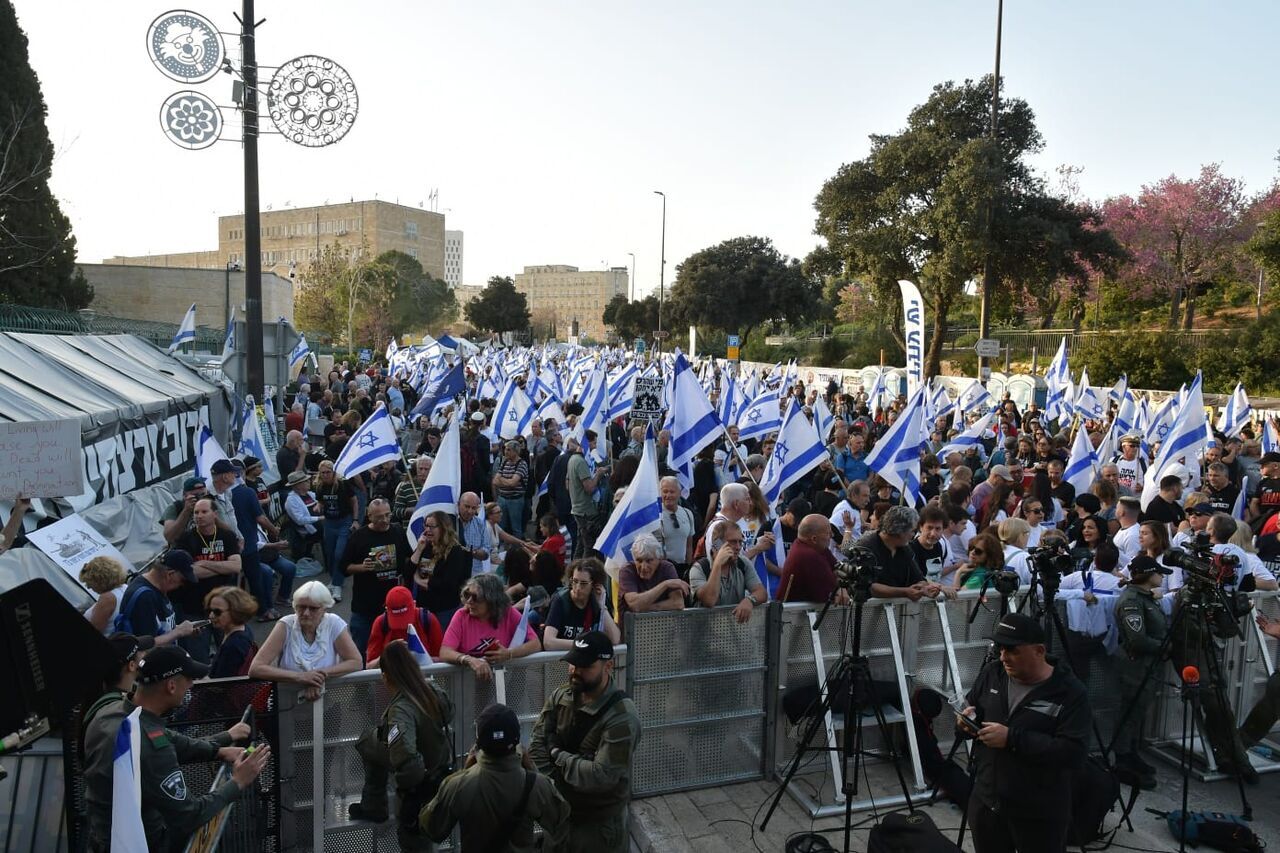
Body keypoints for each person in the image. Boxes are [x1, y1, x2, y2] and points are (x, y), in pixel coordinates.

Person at [958, 613, 1091, 853]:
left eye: (1012, 650)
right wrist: (965, 724)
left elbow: (1074, 753)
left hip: (1039, 814)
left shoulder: (1070, 692)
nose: (1003, 657)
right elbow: (973, 709)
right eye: (1000, 648)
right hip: (987, 803)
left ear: (1039, 651)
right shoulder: (992, 673)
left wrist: (1011, 738)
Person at [130, 645, 270, 852]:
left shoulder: (127, 715)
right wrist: (238, 781)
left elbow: (178, 742)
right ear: (171, 686)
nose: (192, 685)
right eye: (189, 678)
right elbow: (189, 815)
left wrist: (220, 746)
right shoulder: (152, 744)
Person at [530, 631, 641, 853]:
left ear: (608, 666)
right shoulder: (561, 696)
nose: (575, 671)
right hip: (560, 820)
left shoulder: (621, 716)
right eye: (572, 664)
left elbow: (601, 777)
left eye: (585, 666)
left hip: (598, 829)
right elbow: (536, 748)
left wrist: (557, 754)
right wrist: (575, 766)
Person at [421, 702, 571, 852]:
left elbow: (431, 828)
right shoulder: (536, 784)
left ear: (478, 741)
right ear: (517, 739)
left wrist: (463, 771)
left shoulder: (458, 785)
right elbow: (561, 820)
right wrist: (531, 767)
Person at [348, 641, 454, 850]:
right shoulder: (431, 689)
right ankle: (373, 804)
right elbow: (449, 713)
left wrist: (408, 796)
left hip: (420, 785)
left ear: (386, 676)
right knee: (369, 741)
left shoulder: (401, 711)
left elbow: (407, 761)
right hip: (439, 768)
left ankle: (375, 805)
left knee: (414, 841)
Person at [80, 632, 154, 850]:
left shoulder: (103, 702)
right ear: (131, 666)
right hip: (117, 833)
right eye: (141, 657)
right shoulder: (116, 714)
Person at [250, 581, 362, 701]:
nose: (306, 613)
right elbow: (256, 668)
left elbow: (356, 662)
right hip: (288, 706)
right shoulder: (285, 625)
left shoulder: (334, 623)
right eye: (301, 607)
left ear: (324, 609)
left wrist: (317, 676)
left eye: (313, 608)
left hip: (328, 703)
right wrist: (300, 677)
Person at [1113, 554, 1169, 790]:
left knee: (1138, 713)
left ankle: (1132, 752)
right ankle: (1123, 759)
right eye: (1158, 572)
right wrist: (1165, 647)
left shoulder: (1145, 597)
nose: (1161, 576)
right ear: (1147, 574)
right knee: (1130, 712)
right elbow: (1137, 639)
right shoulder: (1132, 601)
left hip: (1148, 666)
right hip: (1136, 667)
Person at [439, 573, 541, 682]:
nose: (469, 601)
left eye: (475, 597)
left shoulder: (508, 613)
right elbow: (445, 652)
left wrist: (509, 654)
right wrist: (469, 660)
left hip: (504, 682)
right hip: (467, 684)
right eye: (467, 595)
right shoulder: (462, 615)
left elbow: (535, 644)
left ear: (492, 600)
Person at [342, 498, 411, 658]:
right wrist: (361, 567)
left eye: (388, 515)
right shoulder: (359, 537)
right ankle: (363, 683)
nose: (385, 520)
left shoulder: (398, 531)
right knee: (362, 652)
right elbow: (343, 567)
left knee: (395, 653)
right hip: (365, 608)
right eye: (379, 517)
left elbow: (408, 558)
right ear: (369, 516)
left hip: (394, 607)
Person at [114, 549, 202, 646]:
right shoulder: (145, 597)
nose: (182, 585)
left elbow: (158, 627)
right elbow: (145, 645)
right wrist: (178, 632)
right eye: (182, 580)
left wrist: (182, 629)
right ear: (170, 574)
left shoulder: (157, 588)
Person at [688, 520, 767, 623]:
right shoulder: (699, 568)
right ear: (717, 544)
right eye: (733, 542)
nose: (738, 547)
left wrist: (749, 601)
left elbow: (761, 593)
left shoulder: (742, 563)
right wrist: (717, 565)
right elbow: (709, 600)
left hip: (733, 633)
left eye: (740, 542)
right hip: (704, 634)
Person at [862, 506, 943, 601]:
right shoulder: (866, 547)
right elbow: (868, 586)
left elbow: (918, 578)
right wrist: (905, 592)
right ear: (900, 530)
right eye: (912, 531)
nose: (913, 535)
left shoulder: (905, 549)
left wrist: (924, 588)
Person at [410, 509, 473, 626]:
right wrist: (419, 549)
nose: (428, 530)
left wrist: (420, 581)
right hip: (423, 607)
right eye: (426, 526)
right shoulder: (425, 546)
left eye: (432, 527)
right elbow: (408, 570)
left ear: (443, 528)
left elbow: (448, 583)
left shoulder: (455, 551)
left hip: (444, 609)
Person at [544, 558, 621, 649]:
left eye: (583, 583)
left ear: (594, 585)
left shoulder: (598, 600)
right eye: (575, 581)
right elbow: (548, 642)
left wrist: (601, 605)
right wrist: (583, 644)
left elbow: (615, 639)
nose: (578, 587)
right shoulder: (560, 600)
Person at [366, 585, 445, 668]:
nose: (402, 626)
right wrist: (387, 655)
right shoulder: (381, 623)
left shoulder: (427, 619)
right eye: (396, 618)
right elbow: (369, 666)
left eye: (405, 617)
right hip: (392, 678)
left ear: (414, 604)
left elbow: (441, 658)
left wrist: (416, 657)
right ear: (386, 609)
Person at [779, 514, 848, 604]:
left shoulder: (816, 547)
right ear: (814, 539)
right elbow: (832, 595)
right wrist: (841, 588)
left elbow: (837, 568)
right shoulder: (808, 556)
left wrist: (841, 586)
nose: (831, 536)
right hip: (794, 615)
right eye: (828, 533)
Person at [315, 459, 359, 602]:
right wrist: (319, 506)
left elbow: (354, 501)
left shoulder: (343, 484)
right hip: (329, 523)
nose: (326, 475)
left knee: (339, 554)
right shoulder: (320, 486)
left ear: (333, 472)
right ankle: (334, 580)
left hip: (343, 522)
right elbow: (321, 500)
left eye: (328, 472)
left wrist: (355, 519)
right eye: (323, 473)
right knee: (330, 554)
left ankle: (337, 585)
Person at [617, 533, 688, 615]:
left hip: (663, 625)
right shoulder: (627, 570)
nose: (643, 567)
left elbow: (678, 603)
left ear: (659, 559)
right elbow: (635, 604)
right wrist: (665, 585)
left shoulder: (667, 567)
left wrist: (645, 608)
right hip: (631, 626)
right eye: (639, 561)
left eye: (649, 561)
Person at [567, 433, 611, 558]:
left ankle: (574, 568)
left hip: (578, 508)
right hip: (586, 511)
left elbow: (567, 483)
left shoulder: (573, 459)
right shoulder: (580, 462)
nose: (595, 446)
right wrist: (598, 474)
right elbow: (590, 488)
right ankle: (585, 571)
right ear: (587, 443)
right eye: (594, 443)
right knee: (589, 545)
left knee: (581, 543)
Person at [205, 586, 260, 679]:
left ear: (236, 611)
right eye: (209, 610)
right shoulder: (244, 628)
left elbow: (220, 684)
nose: (211, 615)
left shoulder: (233, 645)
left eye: (217, 612)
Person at [655, 476, 695, 574]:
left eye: (672, 492)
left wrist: (688, 566)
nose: (668, 495)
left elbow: (689, 545)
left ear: (679, 493)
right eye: (665, 491)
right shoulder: (655, 515)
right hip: (662, 569)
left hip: (682, 569)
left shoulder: (687, 513)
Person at [80, 556, 129, 635]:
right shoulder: (124, 587)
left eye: (89, 582)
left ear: (99, 580)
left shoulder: (107, 598)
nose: (88, 587)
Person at [494, 440, 530, 536]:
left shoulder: (522, 464)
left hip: (515, 500)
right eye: (505, 449)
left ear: (516, 451)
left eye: (509, 450)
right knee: (499, 525)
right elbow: (495, 481)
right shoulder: (504, 461)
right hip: (502, 498)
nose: (506, 452)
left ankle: (518, 548)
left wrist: (501, 479)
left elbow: (513, 483)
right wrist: (506, 481)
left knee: (516, 528)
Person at [455, 492, 491, 575]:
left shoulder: (480, 524)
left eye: (473, 508)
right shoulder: (451, 523)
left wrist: (471, 552)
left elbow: (486, 551)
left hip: (474, 574)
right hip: (455, 574)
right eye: (467, 506)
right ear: (458, 504)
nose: (470, 511)